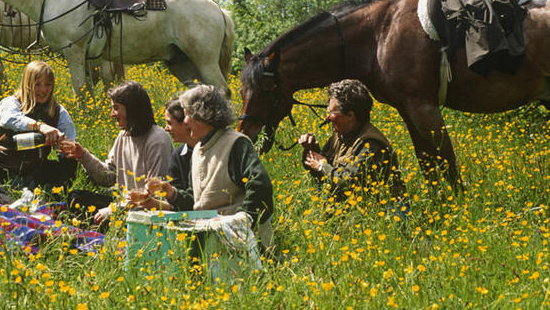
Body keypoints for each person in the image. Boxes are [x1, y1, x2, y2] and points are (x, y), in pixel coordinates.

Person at [146, 85, 274, 246]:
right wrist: (171, 193)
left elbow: (260, 184)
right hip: (212, 238)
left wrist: (243, 220)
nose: (185, 121)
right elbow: (196, 200)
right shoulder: (199, 149)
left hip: (241, 241)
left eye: (187, 115)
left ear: (201, 115)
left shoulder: (235, 143)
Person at [0, 61, 77, 200]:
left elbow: (70, 142)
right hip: (2, 168)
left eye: (47, 84)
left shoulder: (59, 111)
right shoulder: (12, 102)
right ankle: (4, 201)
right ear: (27, 84)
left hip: (35, 171)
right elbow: (9, 118)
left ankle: (46, 196)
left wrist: (63, 144)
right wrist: (40, 126)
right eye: (37, 84)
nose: (43, 90)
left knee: (70, 164)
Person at [61, 81, 173, 224]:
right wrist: (82, 155)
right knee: (76, 198)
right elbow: (108, 177)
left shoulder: (158, 140)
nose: (112, 114)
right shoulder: (123, 136)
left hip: (147, 211)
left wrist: (112, 210)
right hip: (123, 206)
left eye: (116, 108)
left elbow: (153, 196)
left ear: (132, 109)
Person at [298, 79, 404, 202]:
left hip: (385, 212)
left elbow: (350, 182)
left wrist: (322, 167)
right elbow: (324, 174)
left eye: (332, 112)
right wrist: (312, 150)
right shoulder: (341, 135)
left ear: (350, 115)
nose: (327, 118)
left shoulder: (370, 144)